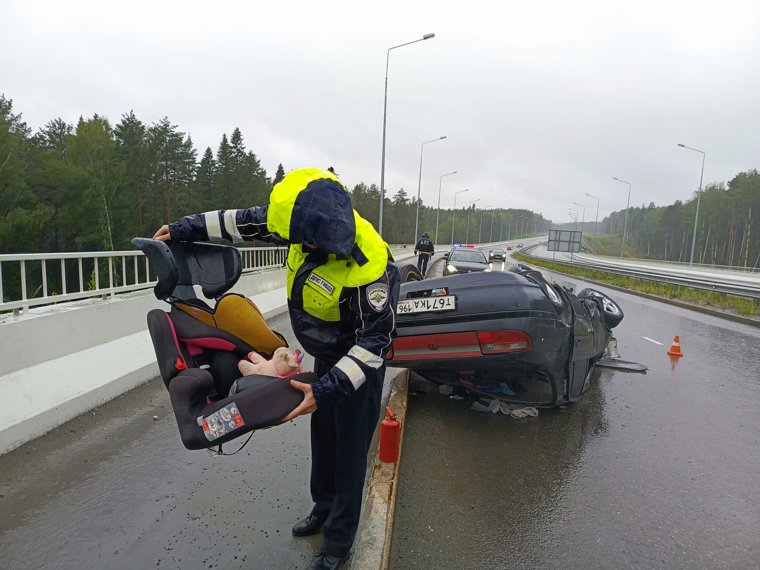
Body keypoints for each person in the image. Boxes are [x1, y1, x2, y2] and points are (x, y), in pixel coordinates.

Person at [153, 167, 400, 570]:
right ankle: (323, 507)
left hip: (359, 363)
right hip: (325, 351)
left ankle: (338, 545)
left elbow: (376, 341)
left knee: (350, 451)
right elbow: (238, 223)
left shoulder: (372, 267)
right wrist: (183, 229)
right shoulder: (297, 217)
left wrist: (327, 389)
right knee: (323, 438)